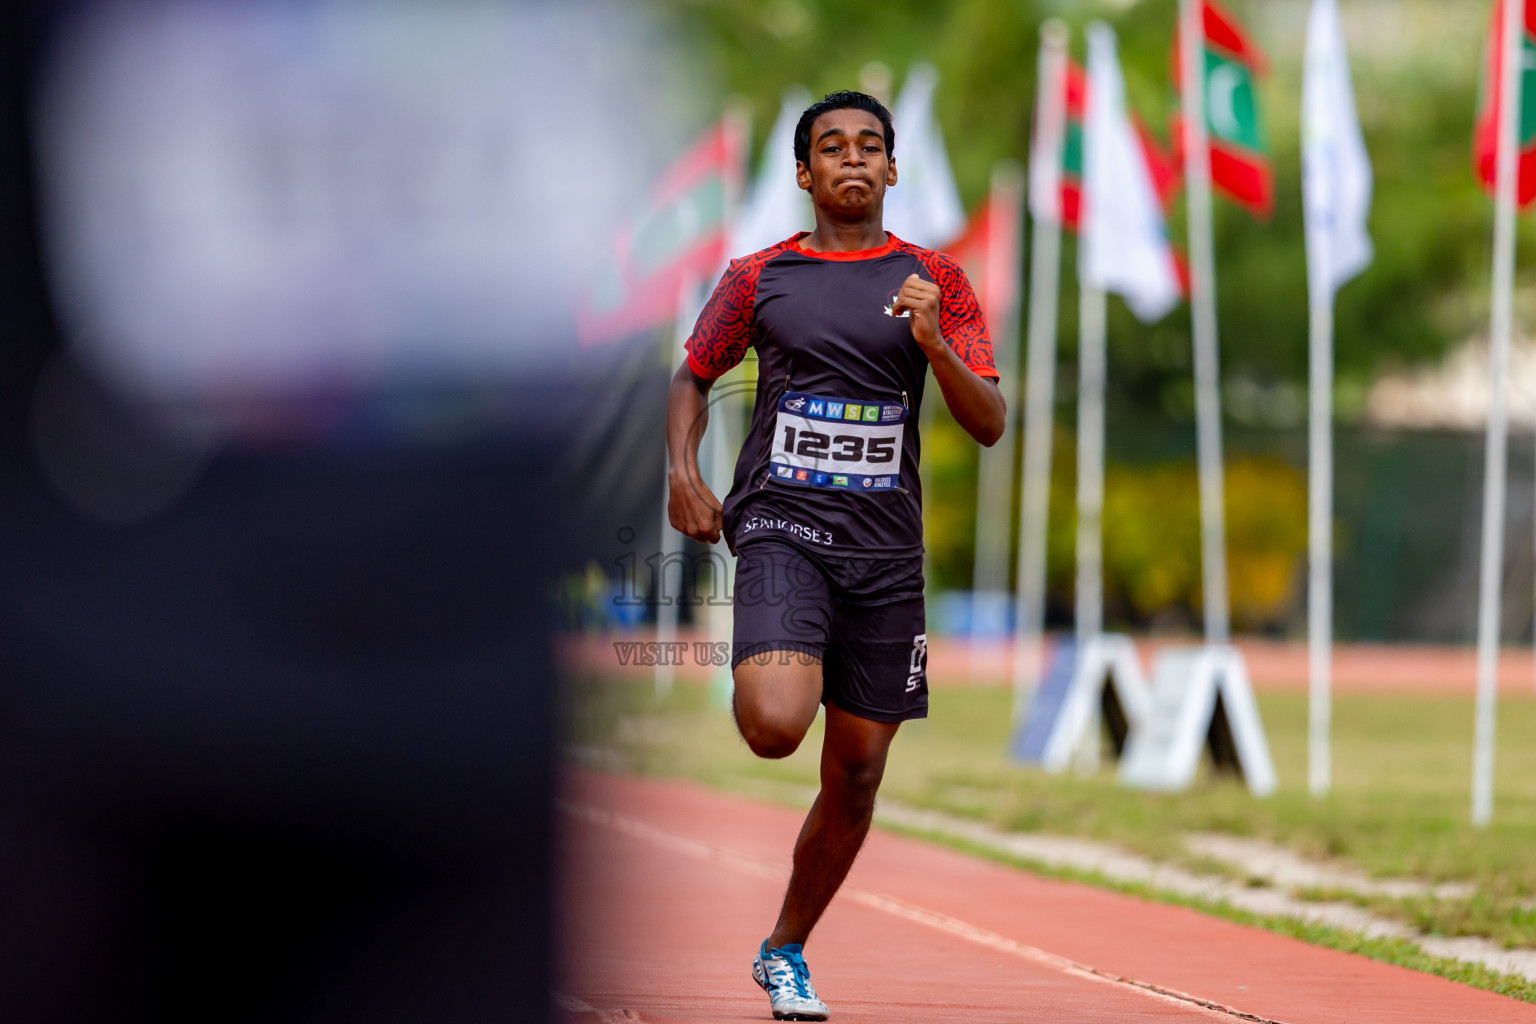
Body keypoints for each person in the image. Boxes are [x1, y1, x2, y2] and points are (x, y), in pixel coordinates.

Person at [665, 89, 1003, 1021]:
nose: (851, 160)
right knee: (776, 723)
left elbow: (990, 424)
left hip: (886, 554)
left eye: (869, 147)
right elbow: (693, 374)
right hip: (780, 526)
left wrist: (936, 345)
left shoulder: (942, 282)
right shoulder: (758, 276)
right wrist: (682, 473)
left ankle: (785, 949)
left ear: (893, 169)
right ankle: (777, 660)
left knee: (854, 773)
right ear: (805, 172)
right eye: (831, 147)